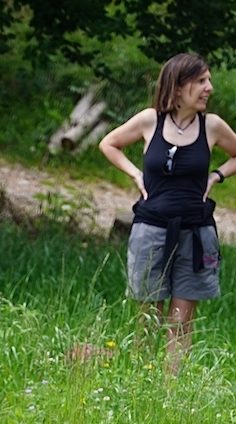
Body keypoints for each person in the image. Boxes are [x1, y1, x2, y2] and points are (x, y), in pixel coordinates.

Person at [99, 53, 236, 374]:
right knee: (148, 318)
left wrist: (216, 176)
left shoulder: (212, 126)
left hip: (197, 233)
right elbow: (109, 144)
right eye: (200, 81)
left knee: (181, 321)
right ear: (177, 87)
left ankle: (172, 388)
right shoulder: (150, 120)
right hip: (151, 229)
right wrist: (135, 174)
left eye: (208, 80)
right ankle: (141, 384)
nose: (209, 88)